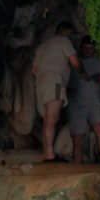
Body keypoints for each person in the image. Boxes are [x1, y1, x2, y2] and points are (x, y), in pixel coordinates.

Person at [30, 22, 80, 162]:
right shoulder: (64, 41)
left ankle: (47, 151)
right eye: (70, 34)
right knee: (52, 118)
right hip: (55, 81)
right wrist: (83, 73)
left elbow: (33, 70)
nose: (71, 38)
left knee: (48, 118)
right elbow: (75, 62)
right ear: (65, 32)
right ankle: (50, 154)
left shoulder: (42, 47)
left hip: (41, 84)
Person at [66, 37, 100, 166]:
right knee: (78, 137)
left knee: (99, 128)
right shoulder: (74, 63)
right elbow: (62, 84)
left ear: (94, 49)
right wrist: (67, 93)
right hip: (77, 104)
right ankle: (77, 165)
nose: (88, 51)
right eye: (86, 48)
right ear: (81, 48)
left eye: (91, 48)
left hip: (94, 102)